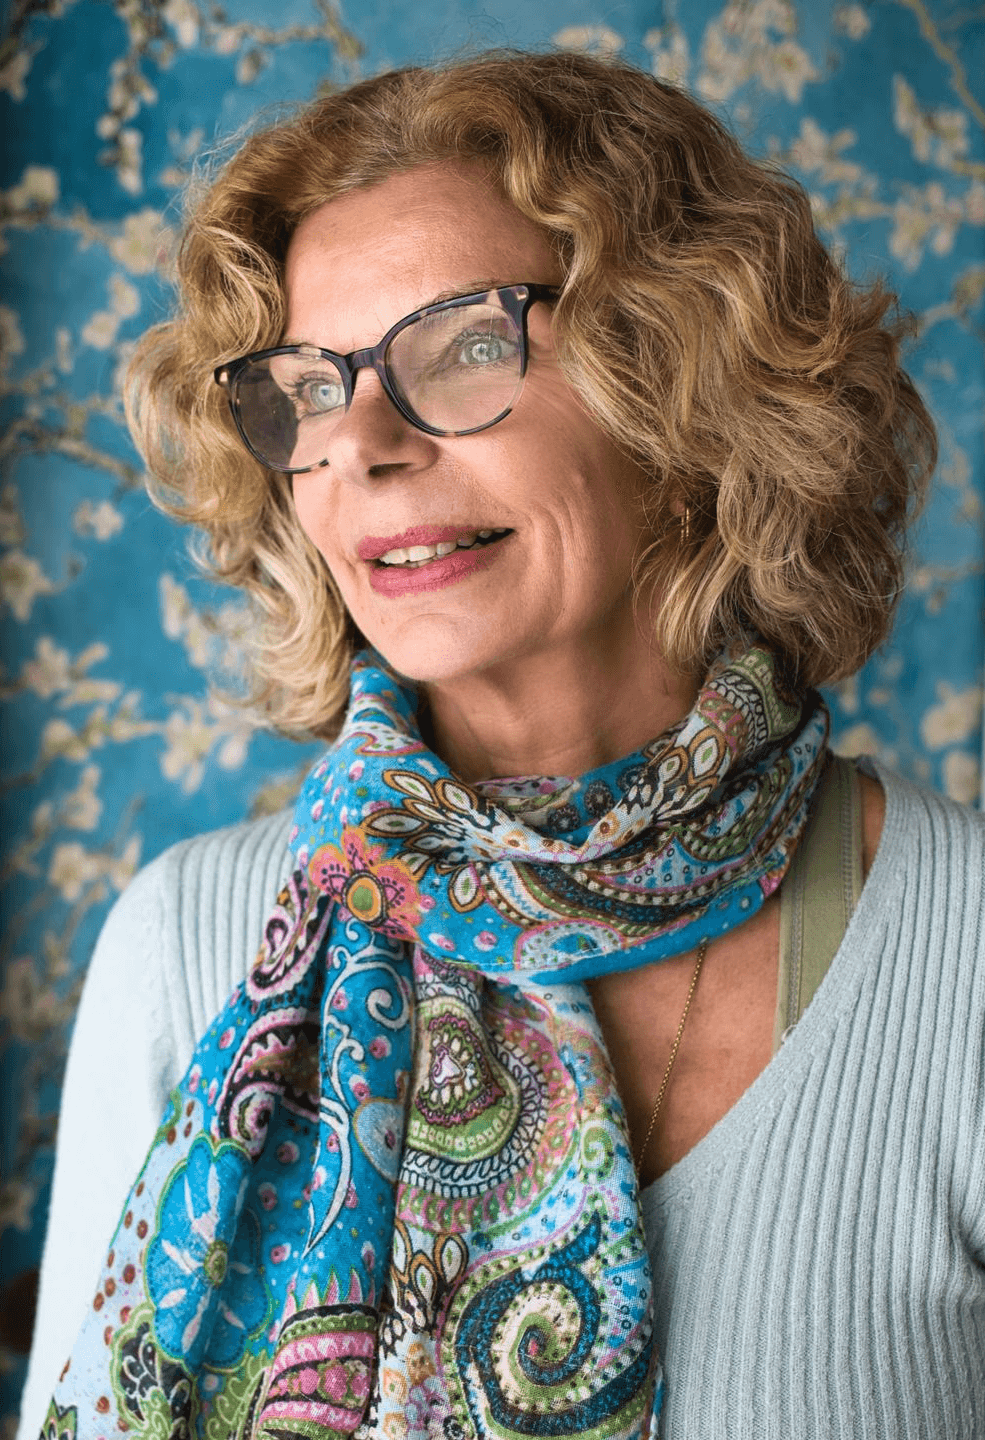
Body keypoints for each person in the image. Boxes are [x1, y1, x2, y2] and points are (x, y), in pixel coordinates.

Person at [19, 49, 984, 1440]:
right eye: (308, 386)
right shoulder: (181, 947)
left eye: (469, 344)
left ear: (683, 385)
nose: (362, 442)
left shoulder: (962, 951)